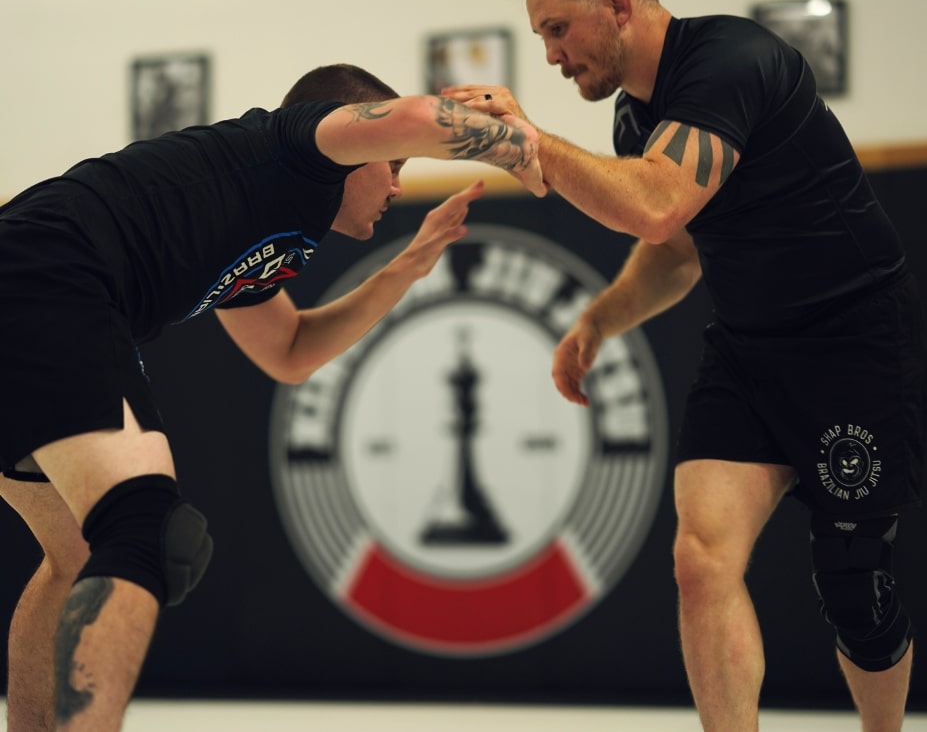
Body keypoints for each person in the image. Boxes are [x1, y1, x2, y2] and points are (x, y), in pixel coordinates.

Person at [443, 0, 927, 730]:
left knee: (855, 587)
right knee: (701, 562)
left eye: (558, 29)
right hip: (749, 349)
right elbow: (675, 249)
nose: (551, 55)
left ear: (618, 4)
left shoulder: (732, 61)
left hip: (855, 342)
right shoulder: (635, 113)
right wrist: (600, 318)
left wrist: (528, 139)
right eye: (539, 37)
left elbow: (658, 205)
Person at [0, 62, 545, 731]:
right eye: (392, 164)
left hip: (24, 285)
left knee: (77, 555)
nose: (399, 182)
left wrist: (408, 267)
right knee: (146, 531)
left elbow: (290, 352)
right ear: (354, 146)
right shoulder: (297, 144)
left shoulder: (271, 222)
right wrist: (522, 143)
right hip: (46, 275)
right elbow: (410, 117)